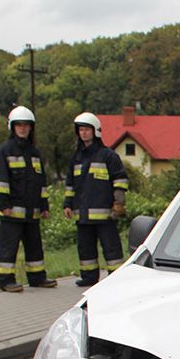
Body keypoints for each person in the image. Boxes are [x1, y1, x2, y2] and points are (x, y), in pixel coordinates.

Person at [0, 106, 58, 292]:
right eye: (19, 125)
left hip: (33, 212)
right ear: (12, 127)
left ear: (31, 128)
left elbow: (41, 183)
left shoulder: (34, 153)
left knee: (35, 248)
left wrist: (44, 206)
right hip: (11, 211)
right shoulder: (5, 151)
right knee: (8, 249)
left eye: (26, 125)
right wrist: (3, 204)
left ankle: (37, 277)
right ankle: (6, 280)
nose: (22, 128)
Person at [63, 112, 128, 286]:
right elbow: (70, 184)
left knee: (111, 247)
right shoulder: (76, 158)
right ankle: (89, 277)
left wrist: (119, 203)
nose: (83, 133)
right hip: (83, 215)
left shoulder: (108, 156)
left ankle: (116, 278)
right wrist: (67, 205)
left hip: (105, 214)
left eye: (87, 130)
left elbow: (120, 181)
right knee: (85, 248)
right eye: (81, 130)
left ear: (95, 131)